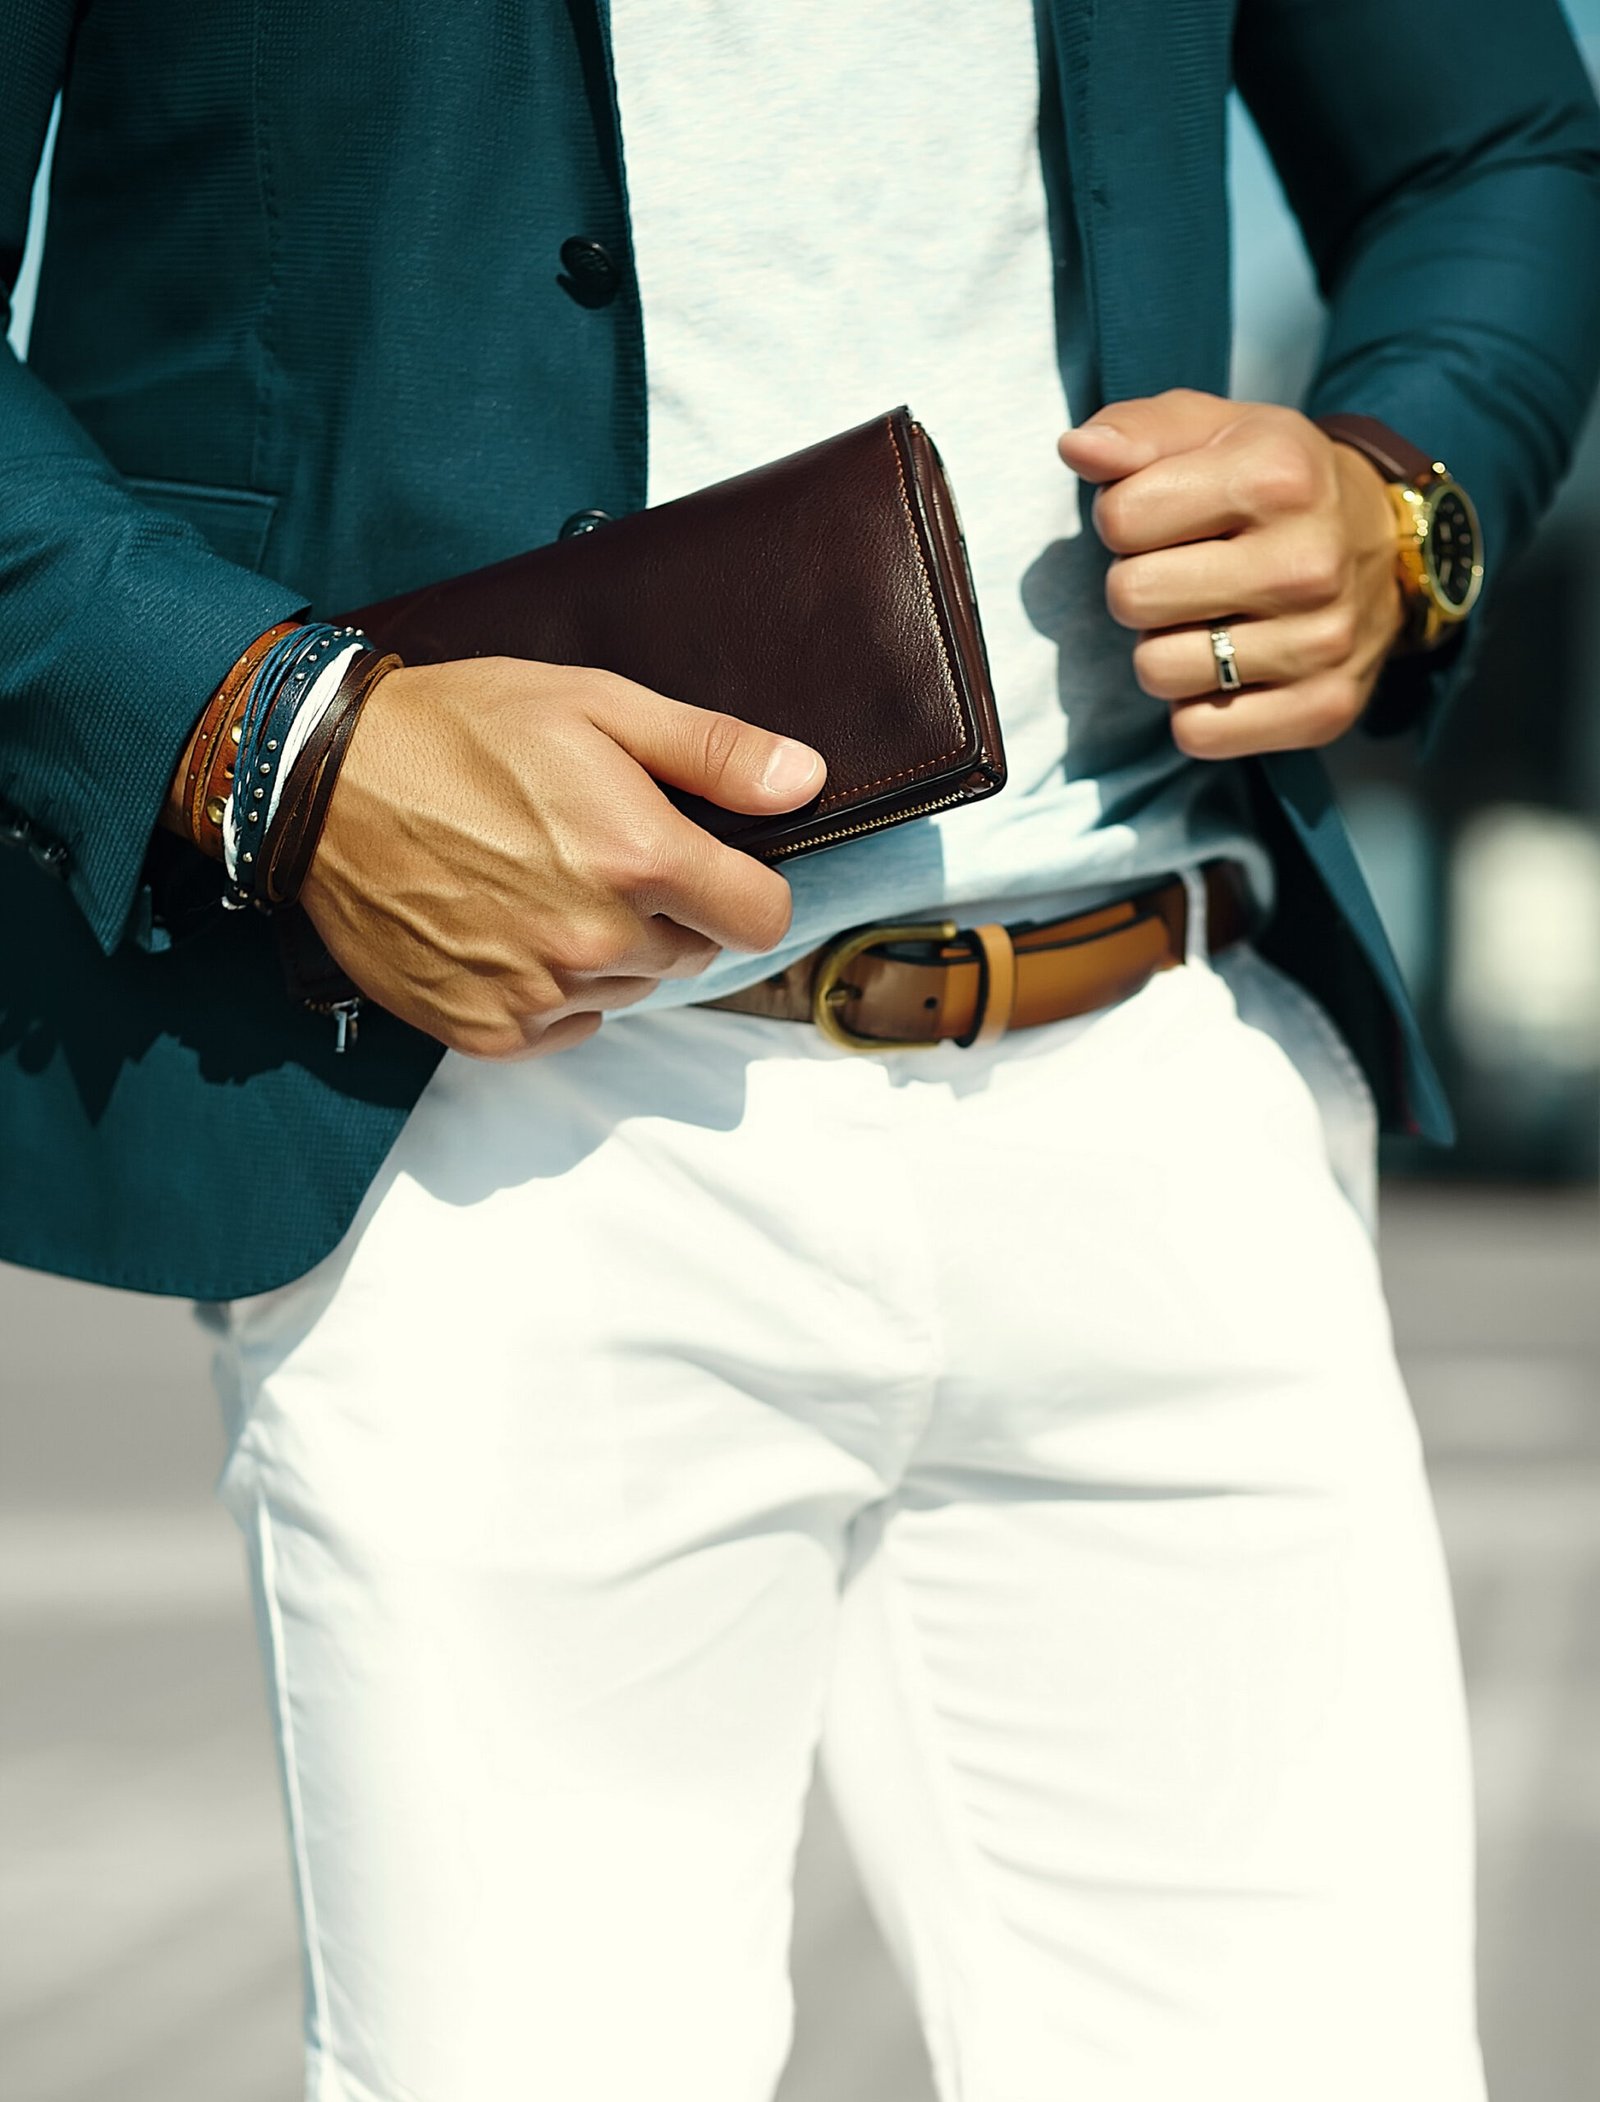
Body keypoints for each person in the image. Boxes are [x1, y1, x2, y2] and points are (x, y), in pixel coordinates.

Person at [3, 2, 1598, 2096]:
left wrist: (1399, 503)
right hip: (493, 1116)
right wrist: (271, 733)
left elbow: (1496, 152)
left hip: (1154, 1073)